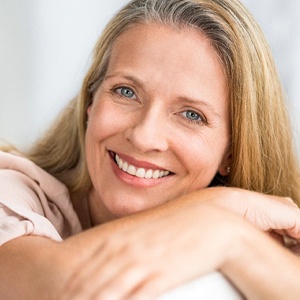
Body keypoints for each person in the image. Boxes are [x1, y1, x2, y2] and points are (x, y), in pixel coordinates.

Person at [1, 0, 300, 299]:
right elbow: (56, 289)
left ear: (231, 152)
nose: (144, 137)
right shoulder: (11, 193)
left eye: (192, 114)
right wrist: (217, 216)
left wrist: (228, 235)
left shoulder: (260, 236)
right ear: (90, 102)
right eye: (126, 92)